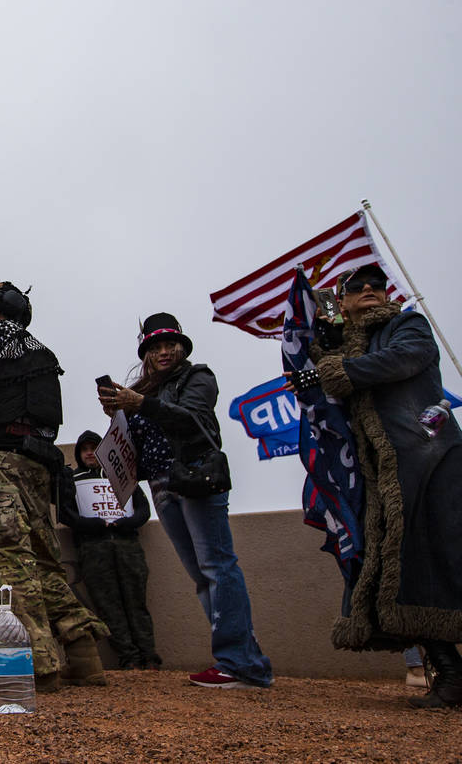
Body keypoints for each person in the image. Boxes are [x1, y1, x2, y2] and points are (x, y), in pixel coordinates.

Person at [295, 263, 462, 708]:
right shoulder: (344, 345)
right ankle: (450, 674)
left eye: (377, 285)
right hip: (381, 480)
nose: (370, 290)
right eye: (356, 287)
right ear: (342, 301)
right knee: (401, 574)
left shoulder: (406, 324)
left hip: (432, 464)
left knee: (447, 562)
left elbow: (405, 358)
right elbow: (324, 391)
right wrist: (325, 345)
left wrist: (339, 367)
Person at [0, 282, 109, 691]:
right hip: (37, 464)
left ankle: (31, 664)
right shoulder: (41, 351)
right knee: (43, 558)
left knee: (6, 559)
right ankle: (83, 653)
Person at [100, 312, 272, 689]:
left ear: (181, 347)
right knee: (201, 575)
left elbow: (192, 419)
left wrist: (139, 404)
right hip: (162, 486)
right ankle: (246, 658)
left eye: (169, 344)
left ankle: (240, 662)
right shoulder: (144, 391)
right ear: (145, 353)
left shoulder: (199, 377)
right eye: (154, 346)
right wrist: (119, 416)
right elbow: (140, 440)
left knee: (218, 567)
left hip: (195, 477)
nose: (163, 351)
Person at [57, 430, 161, 670]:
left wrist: (125, 523)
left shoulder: (121, 476)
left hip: (127, 545)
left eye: (94, 447)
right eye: (85, 449)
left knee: (136, 602)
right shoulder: (73, 480)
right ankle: (128, 657)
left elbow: (143, 509)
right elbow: (66, 514)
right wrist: (94, 524)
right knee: (108, 605)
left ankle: (149, 656)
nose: (90, 453)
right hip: (93, 547)